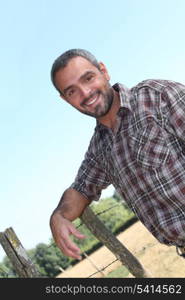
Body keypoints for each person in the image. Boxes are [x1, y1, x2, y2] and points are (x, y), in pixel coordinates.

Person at [50, 48, 185, 260]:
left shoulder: (156, 97)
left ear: (103, 71)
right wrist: (58, 217)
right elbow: (80, 189)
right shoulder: (100, 149)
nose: (85, 93)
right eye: (72, 91)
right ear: (65, 100)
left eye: (88, 78)